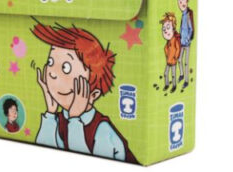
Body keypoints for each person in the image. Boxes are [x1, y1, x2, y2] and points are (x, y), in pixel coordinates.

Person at [31, 20, 138, 163]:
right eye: (50, 62)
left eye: (66, 68)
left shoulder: (102, 129)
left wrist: (75, 118)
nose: (52, 73)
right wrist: (50, 113)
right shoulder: (60, 119)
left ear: (93, 95)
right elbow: (44, 149)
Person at [175, 0, 194, 89]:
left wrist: (187, 39)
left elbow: (191, 29)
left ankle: (186, 80)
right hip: (181, 42)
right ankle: (181, 74)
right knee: (179, 60)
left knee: (186, 62)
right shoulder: (183, 15)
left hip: (186, 42)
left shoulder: (188, 15)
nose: (181, 2)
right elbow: (182, 28)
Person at [160, 12, 181, 93]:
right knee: (166, 73)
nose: (165, 31)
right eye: (164, 29)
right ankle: (167, 84)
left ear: (173, 28)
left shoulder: (175, 39)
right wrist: (167, 54)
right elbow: (166, 48)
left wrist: (175, 57)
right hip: (168, 60)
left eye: (168, 27)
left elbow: (178, 48)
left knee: (173, 74)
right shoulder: (168, 41)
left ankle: (174, 86)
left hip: (173, 61)